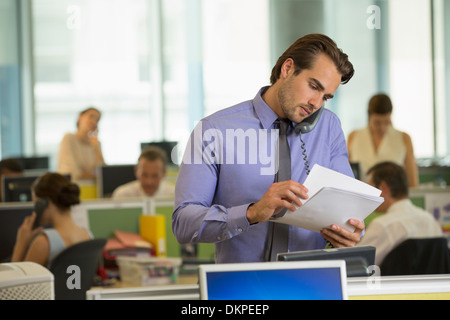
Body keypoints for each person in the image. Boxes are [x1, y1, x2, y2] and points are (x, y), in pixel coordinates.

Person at [172, 33, 365, 264]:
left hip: (312, 283)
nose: (316, 103)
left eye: (326, 97)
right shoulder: (213, 130)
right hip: (240, 288)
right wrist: (251, 213)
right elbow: (183, 224)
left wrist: (350, 232)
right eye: (313, 86)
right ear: (287, 68)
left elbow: (347, 211)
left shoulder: (329, 127)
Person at [357, 161, 443, 266]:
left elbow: (357, 264)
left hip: (390, 282)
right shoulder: (430, 221)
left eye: (370, 187)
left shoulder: (383, 226)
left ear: (382, 187)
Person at [11, 172, 92, 268]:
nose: (35, 209)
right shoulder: (87, 235)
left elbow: (17, 281)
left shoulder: (44, 242)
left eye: (36, 203)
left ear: (44, 203)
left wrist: (21, 243)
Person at [347, 93, 419, 187]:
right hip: (362, 198)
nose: (382, 128)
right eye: (377, 123)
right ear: (369, 117)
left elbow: (413, 183)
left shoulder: (404, 138)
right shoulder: (354, 137)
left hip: (393, 199)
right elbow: (346, 176)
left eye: (386, 122)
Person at [57, 107, 105, 181]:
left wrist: (96, 149)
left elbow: (103, 173)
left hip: (91, 188)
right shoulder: (69, 138)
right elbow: (71, 172)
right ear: (80, 117)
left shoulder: (95, 144)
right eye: (91, 116)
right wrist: (93, 174)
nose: (94, 121)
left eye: (97, 119)